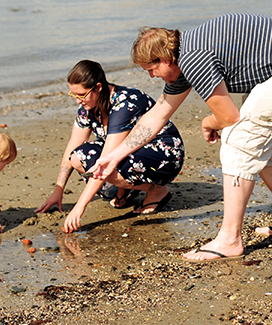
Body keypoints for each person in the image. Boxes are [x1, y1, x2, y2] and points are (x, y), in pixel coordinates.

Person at [92, 14, 272, 262]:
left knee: (239, 142)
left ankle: (229, 240)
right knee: (257, 143)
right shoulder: (183, 55)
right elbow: (156, 115)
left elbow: (228, 116)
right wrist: (114, 155)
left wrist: (208, 122)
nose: (152, 77)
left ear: (163, 59)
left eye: (152, 70)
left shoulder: (193, 58)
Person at [36, 60, 185, 233]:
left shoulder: (125, 103)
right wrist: (58, 190)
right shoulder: (88, 107)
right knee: (77, 158)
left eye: (82, 95)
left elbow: (107, 161)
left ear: (98, 87)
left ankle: (157, 191)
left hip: (164, 153)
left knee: (109, 167)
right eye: (73, 94)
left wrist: (79, 207)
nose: (78, 101)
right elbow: (73, 146)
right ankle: (125, 190)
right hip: (128, 153)